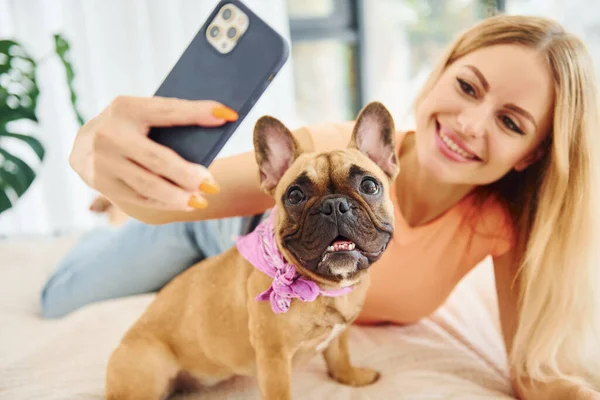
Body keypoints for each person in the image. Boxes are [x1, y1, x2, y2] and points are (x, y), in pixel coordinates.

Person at [41, 15, 600, 399]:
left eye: (510, 122)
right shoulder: (332, 150)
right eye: (469, 87)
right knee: (59, 295)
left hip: (298, 283)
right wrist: (102, 158)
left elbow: (533, 367)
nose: (470, 124)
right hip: (223, 236)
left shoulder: (499, 226)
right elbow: (172, 198)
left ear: (535, 154)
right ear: (439, 75)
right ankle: (105, 223)